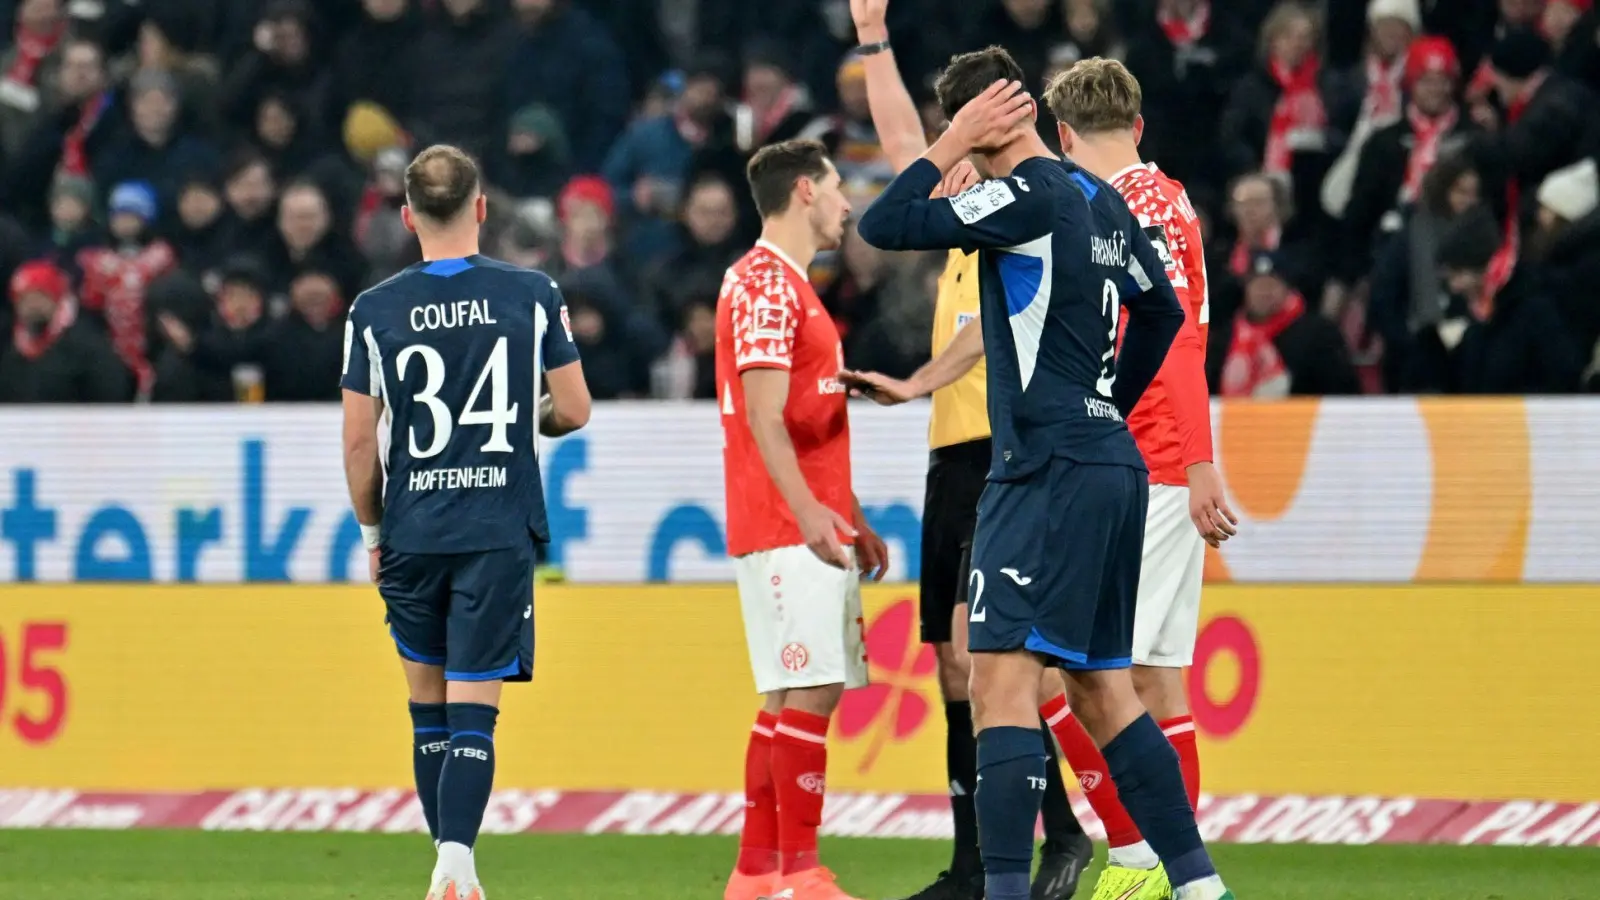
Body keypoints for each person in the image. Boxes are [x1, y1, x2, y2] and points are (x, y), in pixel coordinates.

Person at [855, 46, 1234, 900]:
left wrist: (950, 142)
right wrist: (1107, 400)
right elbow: (1160, 311)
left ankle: (1003, 890)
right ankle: (1198, 885)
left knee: (999, 681)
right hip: (1110, 463)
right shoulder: (1100, 198)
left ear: (983, 119)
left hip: (1042, 469)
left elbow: (884, 224)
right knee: (1104, 690)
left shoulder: (1022, 196)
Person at [848, 3, 1093, 899]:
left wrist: (918, 378)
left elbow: (988, 331)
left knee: (991, 658)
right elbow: (902, 142)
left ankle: (1060, 835)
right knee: (956, 665)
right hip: (953, 450)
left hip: (1003, 445)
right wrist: (872, 37)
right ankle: (972, 863)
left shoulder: (1016, 207)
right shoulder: (964, 202)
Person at [339, 144, 591, 900]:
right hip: (495, 528)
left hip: (413, 531)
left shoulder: (372, 310)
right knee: (474, 712)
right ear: (481, 208)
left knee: (428, 714)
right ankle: (457, 866)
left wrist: (373, 536)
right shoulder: (533, 292)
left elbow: (359, 444)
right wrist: (532, 420)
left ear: (407, 215)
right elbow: (574, 409)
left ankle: (448, 868)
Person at [716, 137, 890, 900]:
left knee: (789, 695)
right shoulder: (766, 283)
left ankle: (757, 872)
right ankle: (800, 873)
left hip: (800, 517)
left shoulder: (784, 284)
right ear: (806, 191)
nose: (849, 203)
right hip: (785, 524)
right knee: (813, 688)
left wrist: (850, 514)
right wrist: (811, 512)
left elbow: (802, 416)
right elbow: (763, 414)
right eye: (839, 186)